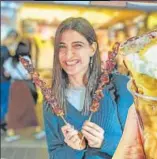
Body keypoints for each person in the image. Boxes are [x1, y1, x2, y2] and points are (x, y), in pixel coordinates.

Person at [43, 17, 134, 159]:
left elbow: (138, 150)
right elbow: (55, 154)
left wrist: (104, 143)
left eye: (77, 45)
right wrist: (76, 149)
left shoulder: (121, 87)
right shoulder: (51, 99)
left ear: (92, 48)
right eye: (62, 47)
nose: (68, 55)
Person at [3, 41, 45, 142]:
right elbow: (31, 75)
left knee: (14, 109)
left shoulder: (9, 60)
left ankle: (10, 133)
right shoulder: (26, 60)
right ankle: (38, 130)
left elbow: (6, 74)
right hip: (24, 86)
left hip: (14, 86)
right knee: (29, 108)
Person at [0, 46, 11, 134]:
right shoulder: (4, 50)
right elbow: (7, 73)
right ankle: (2, 123)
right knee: (4, 103)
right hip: (4, 82)